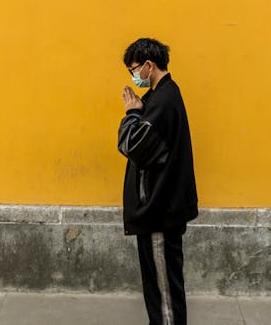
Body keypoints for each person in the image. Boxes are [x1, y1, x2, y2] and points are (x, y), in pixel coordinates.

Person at [118, 38, 198, 325]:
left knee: (164, 296)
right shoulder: (160, 97)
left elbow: (133, 145)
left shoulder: (163, 102)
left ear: (150, 65)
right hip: (159, 211)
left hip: (158, 213)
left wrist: (130, 114)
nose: (134, 76)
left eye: (135, 69)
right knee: (161, 290)